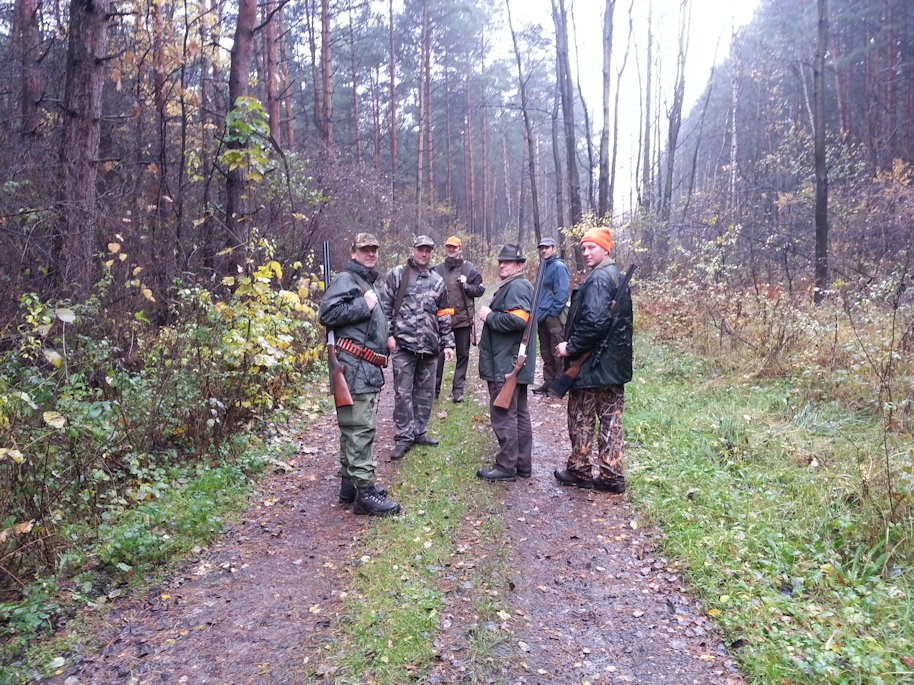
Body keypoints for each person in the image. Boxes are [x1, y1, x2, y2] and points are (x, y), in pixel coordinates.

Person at [318, 233, 400, 516]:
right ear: (353, 252)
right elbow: (326, 314)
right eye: (365, 249)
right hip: (353, 366)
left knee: (354, 426)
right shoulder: (346, 279)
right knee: (360, 428)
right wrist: (364, 305)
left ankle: (349, 487)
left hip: (362, 366)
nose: (371, 253)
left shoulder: (365, 281)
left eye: (374, 249)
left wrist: (385, 337)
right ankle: (364, 493)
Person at [554, 226, 633, 494]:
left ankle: (580, 470)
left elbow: (595, 322)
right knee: (611, 420)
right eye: (584, 248)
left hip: (591, 365)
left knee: (581, 417)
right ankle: (612, 475)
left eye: (592, 247)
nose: (586, 252)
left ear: (605, 249)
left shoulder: (599, 278)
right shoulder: (614, 275)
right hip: (612, 366)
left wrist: (570, 347)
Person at [380, 235, 455, 461]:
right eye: (421, 249)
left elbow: (443, 314)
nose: (424, 254)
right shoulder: (398, 275)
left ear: (431, 253)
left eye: (428, 250)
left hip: (430, 348)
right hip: (403, 346)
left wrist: (448, 343)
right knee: (403, 393)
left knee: (425, 393)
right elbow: (384, 307)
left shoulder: (437, 281)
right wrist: (388, 335)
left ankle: (419, 432)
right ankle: (404, 436)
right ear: (413, 250)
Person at [475, 244, 535, 482]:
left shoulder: (517, 286)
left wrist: (489, 316)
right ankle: (522, 464)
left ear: (519, 265)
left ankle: (506, 466)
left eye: (507, 262)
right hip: (510, 360)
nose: (502, 265)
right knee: (518, 413)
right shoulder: (515, 284)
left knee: (504, 413)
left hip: (506, 362)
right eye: (500, 261)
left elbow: (519, 320)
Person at [433, 235, 485, 403]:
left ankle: (458, 391)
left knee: (463, 356)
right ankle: (434, 390)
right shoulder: (437, 270)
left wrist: (466, 285)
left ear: (459, 249)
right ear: (445, 248)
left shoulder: (469, 269)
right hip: (442, 321)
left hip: (463, 320)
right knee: (438, 356)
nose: (451, 249)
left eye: (454, 247)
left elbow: (480, 290)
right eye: (449, 246)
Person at [532, 237, 571, 395]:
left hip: (552, 317)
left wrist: (552, 313)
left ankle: (558, 385)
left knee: (557, 350)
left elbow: (562, 293)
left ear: (554, 249)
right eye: (541, 248)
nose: (543, 250)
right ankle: (548, 382)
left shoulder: (559, 266)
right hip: (541, 316)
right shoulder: (543, 266)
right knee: (546, 351)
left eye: (547, 247)